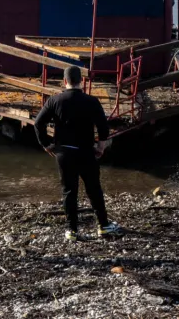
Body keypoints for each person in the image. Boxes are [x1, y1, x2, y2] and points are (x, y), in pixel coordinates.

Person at [33, 66, 124, 241]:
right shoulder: (91, 101)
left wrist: (46, 144)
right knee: (94, 189)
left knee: (69, 191)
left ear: (64, 81)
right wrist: (100, 146)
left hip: (64, 153)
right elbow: (103, 127)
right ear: (81, 81)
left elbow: (38, 123)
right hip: (85, 152)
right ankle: (103, 226)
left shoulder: (54, 100)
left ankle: (72, 231)